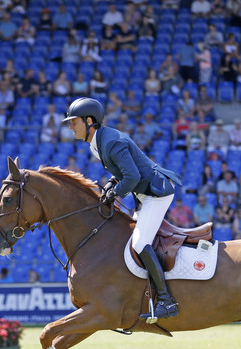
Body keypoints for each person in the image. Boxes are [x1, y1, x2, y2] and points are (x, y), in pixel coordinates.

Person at [62, 97, 182, 321]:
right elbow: (122, 173)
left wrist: (115, 193)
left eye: (73, 122)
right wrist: (110, 184)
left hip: (156, 194)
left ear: (89, 121)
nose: (70, 126)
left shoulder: (110, 142)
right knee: (128, 240)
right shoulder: (98, 142)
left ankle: (166, 300)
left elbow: (132, 176)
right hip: (143, 193)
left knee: (139, 242)